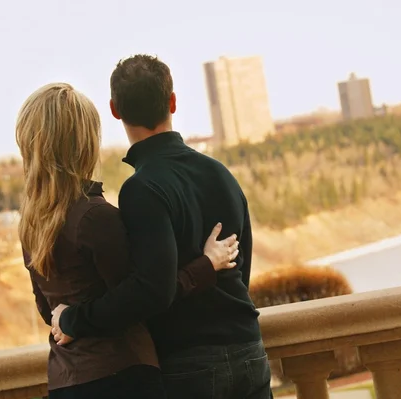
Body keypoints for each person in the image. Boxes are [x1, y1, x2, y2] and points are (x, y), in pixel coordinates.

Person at [51, 55, 273, 399]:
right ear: (172, 101)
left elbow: (151, 290)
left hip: (189, 361)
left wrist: (73, 320)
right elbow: (241, 268)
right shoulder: (221, 174)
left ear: (114, 110)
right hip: (249, 347)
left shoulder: (142, 189)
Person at [16, 82, 240, 399]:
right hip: (122, 377)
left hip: (65, 381)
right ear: (85, 142)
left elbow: (47, 312)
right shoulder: (95, 217)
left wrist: (68, 319)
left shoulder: (31, 223)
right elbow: (146, 296)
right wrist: (206, 265)